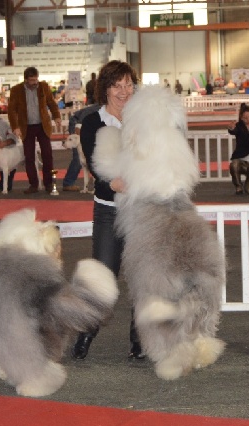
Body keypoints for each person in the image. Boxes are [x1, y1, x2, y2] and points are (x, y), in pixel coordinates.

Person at [72, 60, 144, 361]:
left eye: (128, 84)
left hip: (142, 211)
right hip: (108, 210)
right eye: (117, 85)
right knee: (103, 276)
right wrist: (113, 182)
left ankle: (140, 339)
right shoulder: (92, 123)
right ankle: (86, 332)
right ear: (106, 89)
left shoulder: (144, 121)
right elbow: (95, 165)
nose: (124, 91)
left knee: (143, 278)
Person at [7, 66, 61, 194]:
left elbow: (51, 103)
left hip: (43, 125)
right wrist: (15, 127)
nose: (34, 82)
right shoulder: (16, 90)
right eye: (31, 80)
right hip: (27, 127)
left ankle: (48, 184)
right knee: (29, 156)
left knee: (47, 155)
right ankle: (34, 184)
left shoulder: (44, 87)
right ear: (26, 80)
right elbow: (11, 110)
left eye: (36, 79)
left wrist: (57, 116)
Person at [61, 103, 100, 192]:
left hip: (85, 124)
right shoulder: (97, 108)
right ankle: (68, 183)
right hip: (76, 122)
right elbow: (79, 125)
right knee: (78, 156)